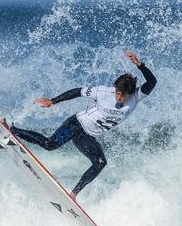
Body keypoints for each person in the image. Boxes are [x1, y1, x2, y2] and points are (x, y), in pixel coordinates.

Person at [10, 50, 157, 201]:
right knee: (49, 145)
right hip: (77, 124)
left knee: (100, 163)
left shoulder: (136, 96)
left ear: (130, 94)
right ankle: (12, 130)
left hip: (88, 136)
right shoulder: (103, 92)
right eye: (117, 93)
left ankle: (72, 195)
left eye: (122, 95)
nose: (118, 97)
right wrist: (52, 101)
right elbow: (78, 92)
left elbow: (152, 82)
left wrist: (139, 64)